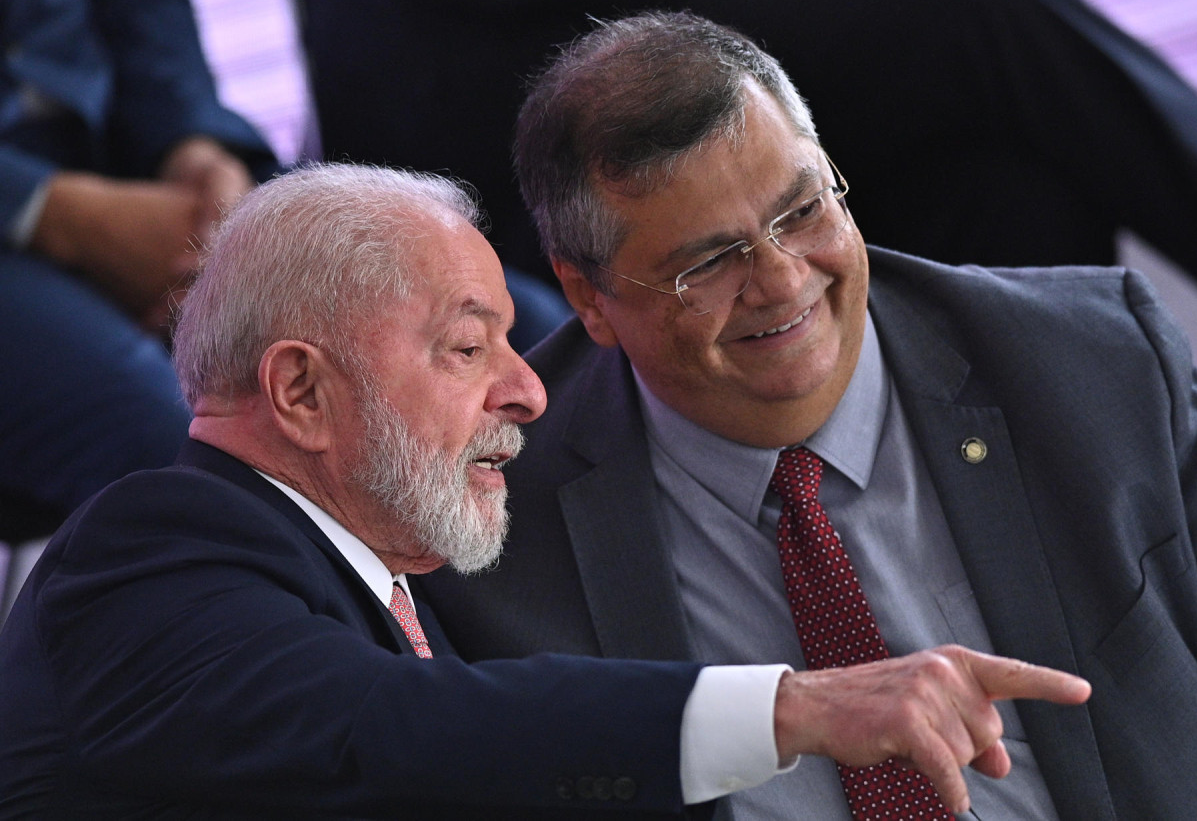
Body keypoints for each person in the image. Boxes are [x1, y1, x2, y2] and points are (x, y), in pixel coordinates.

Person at [0, 162, 1090, 819]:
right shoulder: (150, 548)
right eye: (468, 348)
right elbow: (384, 733)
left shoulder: (390, 598)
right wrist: (796, 704)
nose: (528, 390)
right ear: (299, 389)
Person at [418, 12, 1197, 819]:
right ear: (587, 295)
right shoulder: (490, 511)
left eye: (802, 212)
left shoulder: (1091, 362)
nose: (785, 282)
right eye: (712, 262)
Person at [297, 0, 1197, 341]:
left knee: (1004, 186)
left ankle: (1048, 518)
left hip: (628, 10)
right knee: (980, 13)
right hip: (490, 73)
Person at [0, 0, 278, 532]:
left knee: (457, 325)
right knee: (211, 450)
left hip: (132, 164)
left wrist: (192, 150)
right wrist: (59, 214)